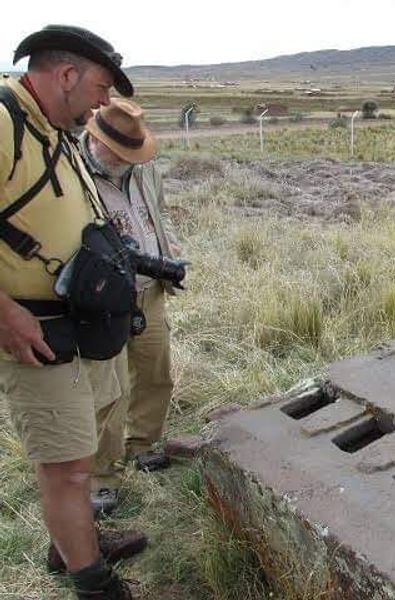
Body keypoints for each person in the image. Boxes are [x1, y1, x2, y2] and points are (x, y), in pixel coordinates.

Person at [0, 25, 145, 599]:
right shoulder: (4, 124)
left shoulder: (54, 130)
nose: (105, 102)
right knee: (68, 466)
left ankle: (73, 540)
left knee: (79, 448)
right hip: (34, 329)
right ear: (66, 75)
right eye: (101, 87)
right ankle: (92, 583)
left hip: (79, 323)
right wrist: (5, 314)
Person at [79, 98, 181, 515]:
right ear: (94, 140)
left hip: (149, 290)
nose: (125, 161)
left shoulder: (144, 167)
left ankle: (143, 446)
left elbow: (159, 214)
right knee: (109, 391)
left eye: (131, 154)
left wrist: (170, 253)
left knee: (156, 374)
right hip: (104, 301)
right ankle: (102, 476)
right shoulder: (74, 175)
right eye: (118, 153)